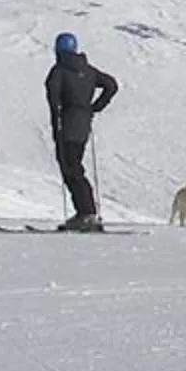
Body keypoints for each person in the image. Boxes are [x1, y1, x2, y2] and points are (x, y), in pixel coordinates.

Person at [44, 32, 117, 231]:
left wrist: (55, 125)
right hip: (83, 124)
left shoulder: (58, 71)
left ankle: (86, 213)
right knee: (75, 166)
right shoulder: (88, 70)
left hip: (66, 124)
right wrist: (94, 108)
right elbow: (111, 85)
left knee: (71, 168)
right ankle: (85, 212)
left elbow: (53, 101)